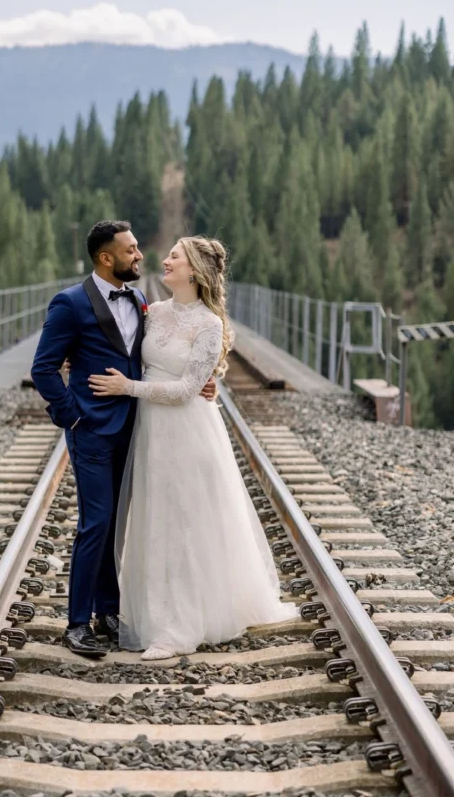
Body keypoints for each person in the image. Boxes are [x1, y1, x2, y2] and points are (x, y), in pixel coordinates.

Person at [89, 236, 298, 660]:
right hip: (151, 430)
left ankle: (179, 628)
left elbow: (186, 390)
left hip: (188, 433)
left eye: (175, 257)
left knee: (183, 522)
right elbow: (127, 350)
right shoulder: (153, 311)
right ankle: (152, 613)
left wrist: (127, 388)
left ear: (195, 271)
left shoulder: (210, 324)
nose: (164, 260)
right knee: (154, 518)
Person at [31, 221, 216, 657]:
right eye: (131, 251)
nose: (140, 257)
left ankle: (108, 612)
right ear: (105, 258)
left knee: (117, 524)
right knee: (95, 522)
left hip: (138, 428)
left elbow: (161, 362)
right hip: (91, 430)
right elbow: (43, 368)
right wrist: (71, 416)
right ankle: (77, 623)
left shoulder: (140, 300)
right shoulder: (71, 303)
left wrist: (204, 383)